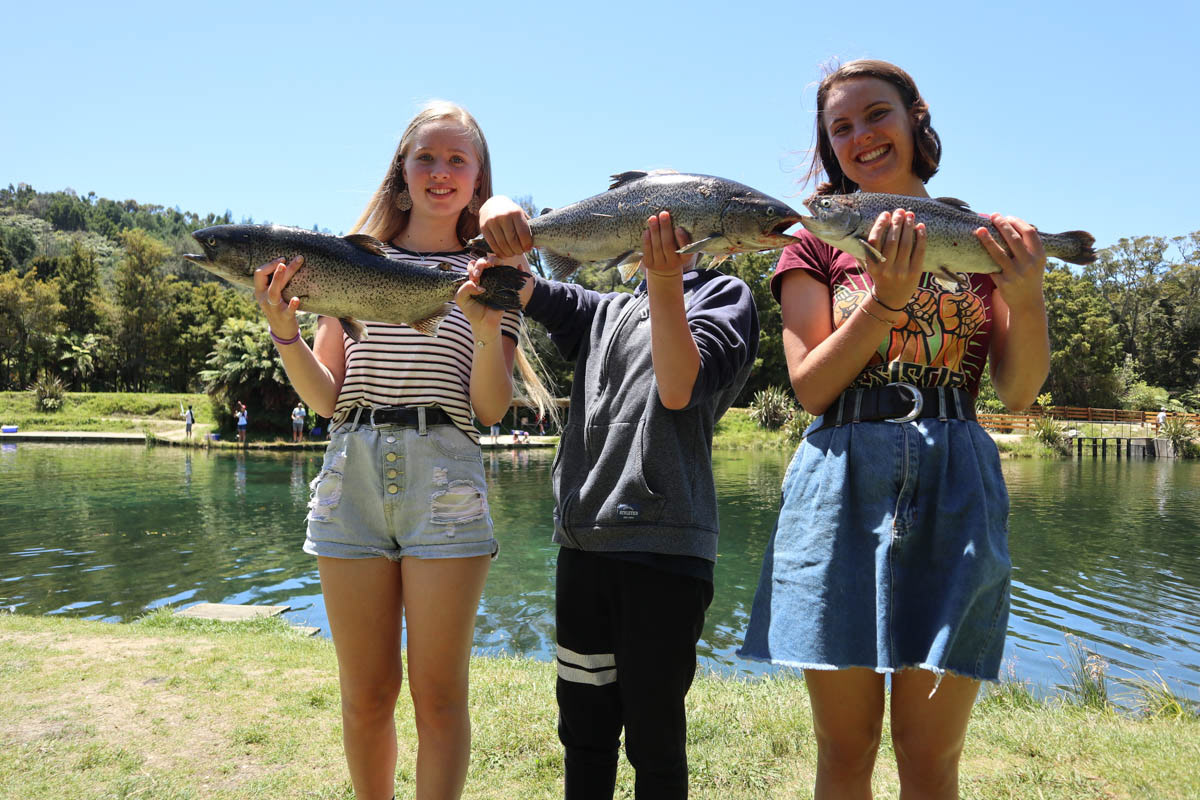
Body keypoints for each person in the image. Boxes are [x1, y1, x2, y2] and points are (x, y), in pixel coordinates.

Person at [737, 59, 1049, 799]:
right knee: (845, 750)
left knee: (930, 756)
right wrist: (884, 301)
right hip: (839, 480)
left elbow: (1017, 392)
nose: (861, 136)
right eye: (840, 126)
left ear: (915, 117)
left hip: (957, 481)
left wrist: (1029, 292)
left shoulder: (979, 238)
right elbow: (811, 387)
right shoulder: (816, 241)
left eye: (876, 114)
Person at [249, 100, 547, 800]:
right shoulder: (350, 260)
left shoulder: (493, 271)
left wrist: (484, 331)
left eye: (456, 159)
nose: (440, 171)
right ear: (402, 171)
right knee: (366, 695)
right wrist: (284, 332)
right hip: (349, 473)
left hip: (445, 474)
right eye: (426, 157)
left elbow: (490, 407)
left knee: (439, 697)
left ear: (478, 179)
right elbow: (327, 399)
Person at [475, 197, 759, 799]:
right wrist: (498, 211)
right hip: (584, 548)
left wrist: (663, 280)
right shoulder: (601, 310)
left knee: (656, 743)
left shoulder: (726, 295)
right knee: (584, 736)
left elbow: (678, 389)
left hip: (667, 553)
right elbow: (516, 282)